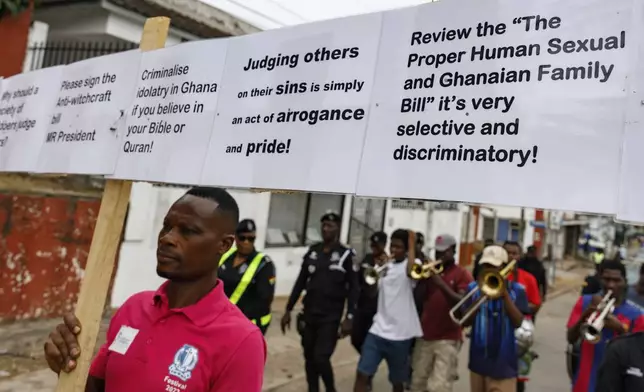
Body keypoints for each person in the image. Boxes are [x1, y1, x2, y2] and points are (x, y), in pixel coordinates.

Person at [42, 187, 266, 392]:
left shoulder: (242, 342)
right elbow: (96, 387)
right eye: (167, 226)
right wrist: (68, 366)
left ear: (224, 245)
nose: (167, 238)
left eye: (187, 231)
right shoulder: (133, 308)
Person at [281, 211, 358, 392]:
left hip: (330, 317)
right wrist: (288, 309)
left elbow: (354, 288)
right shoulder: (313, 251)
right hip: (309, 314)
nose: (325, 229)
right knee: (309, 357)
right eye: (323, 225)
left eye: (330, 226)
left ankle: (331, 389)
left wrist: (350, 316)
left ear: (338, 228)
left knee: (321, 357)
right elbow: (301, 281)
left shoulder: (346, 255)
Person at [354, 229, 423, 392]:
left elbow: (411, 273)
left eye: (398, 247)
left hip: (400, 335)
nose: (393, 250)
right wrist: (376, 273)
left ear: (406, 250)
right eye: (392, 246)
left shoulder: (414, 265)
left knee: (397, 382)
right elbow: (372, 294)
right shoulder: (385, 266)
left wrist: (412, 245)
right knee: (362, 373)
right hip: (378, 330)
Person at [566, 259, 644, 392]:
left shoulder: (637, 315)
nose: (611, 285)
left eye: (616, 280)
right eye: (606, 279)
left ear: (624, 282)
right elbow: (571, 338)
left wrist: (620, 328)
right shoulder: (585, 302)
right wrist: (585, 315)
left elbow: (637, 353)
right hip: (584, 383)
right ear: (600, 279)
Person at [458, 245, 529, 392]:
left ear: (504, 267)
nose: (489, 270)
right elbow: (464, 322)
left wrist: (504, 295)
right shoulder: (473, 288)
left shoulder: (517, 290)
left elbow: (518, 322)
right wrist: (480, 299)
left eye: (494, 266)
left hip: (504, 366)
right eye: (486, 266)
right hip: (478, 364)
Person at [410, 234, 473, 392]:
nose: (439, 256)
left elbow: (461, 303)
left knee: (439, 387)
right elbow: (419, 299)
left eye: (443, 252)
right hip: (425, 335)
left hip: (448, 338)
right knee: (417, 383)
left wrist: (441, 284)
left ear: (453, 251)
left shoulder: (462, 274)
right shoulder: (430, 272)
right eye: (437, 252)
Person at [218, 218, 276, 334]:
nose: (246, 242)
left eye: (251, 239)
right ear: (235, 238)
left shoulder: (264, 264)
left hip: (248, 325)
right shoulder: (226, 256)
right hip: (223, 321)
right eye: (242, 238)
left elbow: (264, 300)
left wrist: (233, 315)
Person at [352, 231, 389, 354]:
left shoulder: (388, 262)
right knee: (355, 339)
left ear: (384, 245)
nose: (373, 248)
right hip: (362, 304)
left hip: (375, 308)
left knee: (368, 339)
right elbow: (358, 278)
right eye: (372, 245)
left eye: (376, 245)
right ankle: (366, 360)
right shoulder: (367, 258)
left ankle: (367, 365)